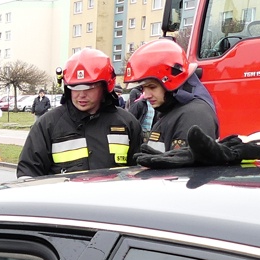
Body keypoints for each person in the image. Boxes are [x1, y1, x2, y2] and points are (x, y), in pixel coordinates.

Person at [17, 48, 142, 178]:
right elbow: (28, 174)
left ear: (105, 87)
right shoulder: (47, 125)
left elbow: (139, 175)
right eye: (75, 87)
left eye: (89, 88)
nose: (81, 95)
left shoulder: (128, 124)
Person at [123, 38, 219, 152]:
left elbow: (185, 168)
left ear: (173, 81)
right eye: (143, 88)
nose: (146, 95)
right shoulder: (173, 111)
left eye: (152, 87)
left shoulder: (193, 115)